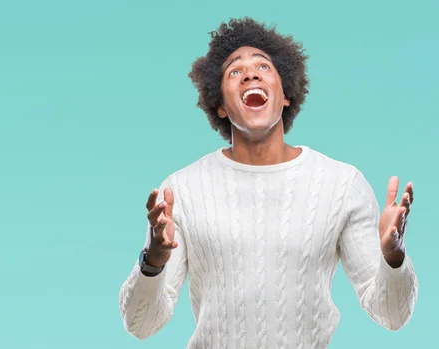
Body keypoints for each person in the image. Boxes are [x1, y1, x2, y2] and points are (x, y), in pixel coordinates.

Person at [118, 17, 418, 349]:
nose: (250, 74)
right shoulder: (182, 191)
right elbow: (140, 324)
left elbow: (392, 316)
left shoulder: (342, 185)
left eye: (263, 66)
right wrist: (153, 261)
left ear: (286, 94)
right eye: (234, 71)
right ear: (219, 104)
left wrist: (394, 257)